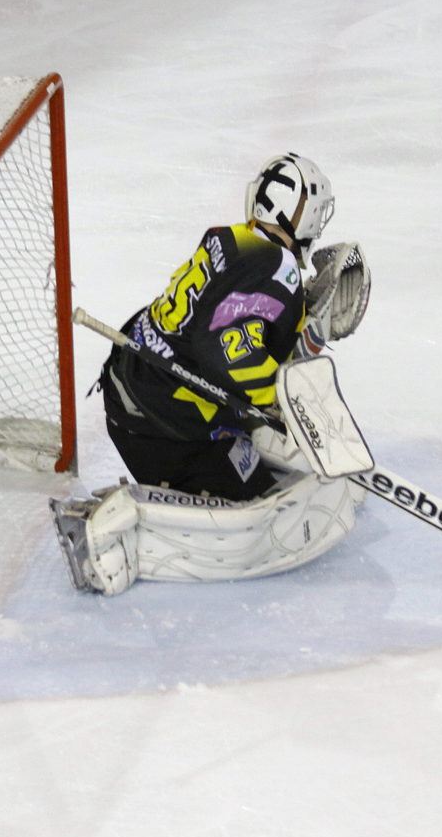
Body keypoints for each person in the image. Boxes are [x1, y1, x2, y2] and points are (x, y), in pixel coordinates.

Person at [51, 153, 373, 595]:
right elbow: (223, 350)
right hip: (162, 423)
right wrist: (279, 398)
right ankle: (104, 530)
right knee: (254, 502)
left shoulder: (234, 240)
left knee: (257, 460)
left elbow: (224, 333)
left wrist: (304, 335)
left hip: (138, 391)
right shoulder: (276, 270)